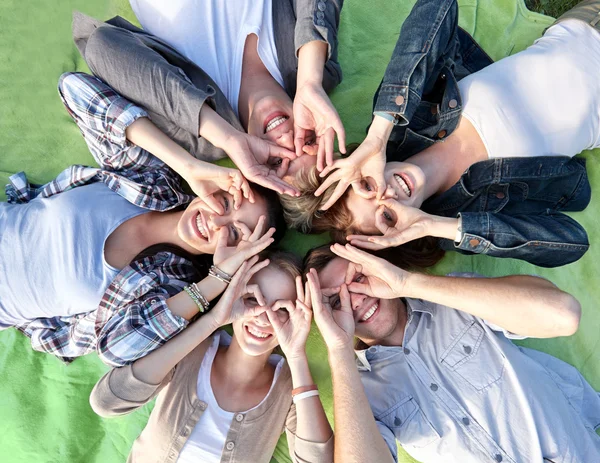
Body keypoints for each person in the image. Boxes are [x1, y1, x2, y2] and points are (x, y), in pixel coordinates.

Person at [0, 72, 284, 366]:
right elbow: (75, 89)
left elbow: (115, 349)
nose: (215, 222)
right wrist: (187, 166)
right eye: (225, 203)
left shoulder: (173, 290)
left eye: (236, 234)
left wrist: (218, 280)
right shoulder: (152, 182)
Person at [287, 0, 599, 268]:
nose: (389, 193)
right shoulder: (470, 216)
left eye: (369, 185)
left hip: (585, 27)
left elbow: (438, 8)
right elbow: (571, 241)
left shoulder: (407, 120)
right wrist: (438, 227)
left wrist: (377, 136)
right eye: (387, 216)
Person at [304, 243, 600, 463]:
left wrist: (406, 283)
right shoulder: (359, 394)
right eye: (335, 301)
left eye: (358, 278)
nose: (355, 299)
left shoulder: (454, 297)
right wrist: (339, 349)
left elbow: (563, 314)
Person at [90, 251, 334, 463]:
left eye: (281, 309)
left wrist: (296, 355)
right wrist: (215, 319)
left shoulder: (291, 391)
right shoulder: (190, 350)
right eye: (252, 299)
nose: (262, 315)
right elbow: (107, 402)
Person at [71, 0, 346, 197]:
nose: (286, 138)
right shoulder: (312, 67)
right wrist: (310, 81)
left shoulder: (201, 135)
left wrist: (226, 136)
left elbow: (101, 45)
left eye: (276, 160)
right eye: (307, 140)